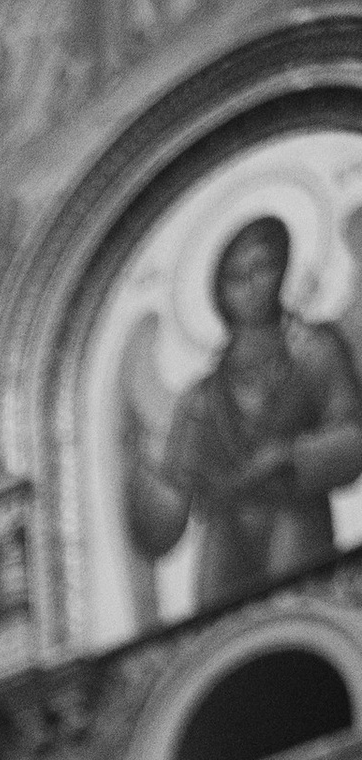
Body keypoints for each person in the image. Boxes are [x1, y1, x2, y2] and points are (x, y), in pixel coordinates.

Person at [123, 215, 362, 618]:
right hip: (224, 543)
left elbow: (352, 437)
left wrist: (290, 456)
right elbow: (171, 508)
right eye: (236, 277)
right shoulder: (200, 400)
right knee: (220, 636)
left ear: (282, 268)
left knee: (299, 621)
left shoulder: (315, 351)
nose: (250, 285)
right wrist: (144, 480)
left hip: (296, 521)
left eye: (262, 267)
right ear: (219, 290)